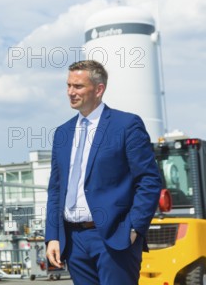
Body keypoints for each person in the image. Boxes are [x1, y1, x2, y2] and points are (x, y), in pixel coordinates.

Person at [45, 60, 161, 285]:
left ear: (99, 89)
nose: (70, 92)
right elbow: (56, 189)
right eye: (68, 85)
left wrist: (135, 227)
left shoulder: (126, 125)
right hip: (73, 240)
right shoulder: (63, 133)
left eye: (78, 86)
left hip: (114, 236)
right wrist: (52, 236)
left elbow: (149, 180)